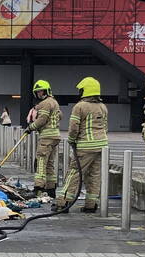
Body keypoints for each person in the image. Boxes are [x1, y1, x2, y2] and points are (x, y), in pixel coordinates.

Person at [59, 77, 108, 212]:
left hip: (85, 146)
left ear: (85, 91)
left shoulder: (80, 106)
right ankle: (90, 205)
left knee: (74, 173)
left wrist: (72, 139)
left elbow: (74, 127)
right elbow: (105, 126)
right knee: (95, 175)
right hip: (102, 146)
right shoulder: (103, 107)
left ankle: (63, 202)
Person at [24, 80, 60, 197]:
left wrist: (30, 127)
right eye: (37, 92)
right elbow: (60, 115)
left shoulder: (45, 103)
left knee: (41, 161)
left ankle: (38, 187)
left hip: (46, 137)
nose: (38, 94)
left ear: (43, 91)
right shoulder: (55, 102)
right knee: (50, 163)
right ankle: (51, 189)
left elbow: (42, 119)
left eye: (39, 91)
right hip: (55, 136)